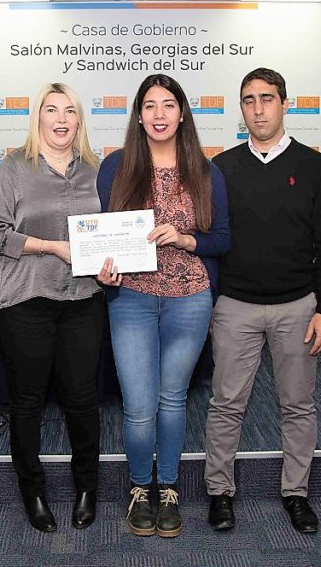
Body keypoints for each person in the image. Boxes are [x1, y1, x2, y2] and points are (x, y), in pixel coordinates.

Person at [203, 67, 321, 535]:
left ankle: (296, 494)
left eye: (267, 98)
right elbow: (210, 239)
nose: (258, 108)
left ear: (285, 103)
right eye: (248, 100)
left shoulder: (315, 167)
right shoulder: (221, 168)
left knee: (298, 405)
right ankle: (219, 493)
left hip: (298, 308)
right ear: (240, 108)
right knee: (226, 404)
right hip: (235, 307)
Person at [96, 73, 230, 538]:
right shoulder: (115, 167)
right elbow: (100, 235)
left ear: (182, 114)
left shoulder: (206, 172)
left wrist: (186, 238)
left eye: (168, 105)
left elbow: (223, 239)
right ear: (138, 115)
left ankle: (168, 488)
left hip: (189, 300)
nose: (158, 114)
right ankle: (139, 487)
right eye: (149, 106)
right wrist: (102, 269)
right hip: (130, 299)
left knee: (172, 399)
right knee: (138, 407)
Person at [0, 83, 104, 533]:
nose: (61, 118)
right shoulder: (12, 169)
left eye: (70, 110)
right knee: (28, 403)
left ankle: (87, 488)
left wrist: (110, 265)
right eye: (51, 109)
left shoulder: (96, 170)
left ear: (79, 120)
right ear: (37, 118)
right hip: (26, 301)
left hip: (84, 300)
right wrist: (53, 247)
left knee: (83, 400)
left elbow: (109, 235)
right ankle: (32, 491)